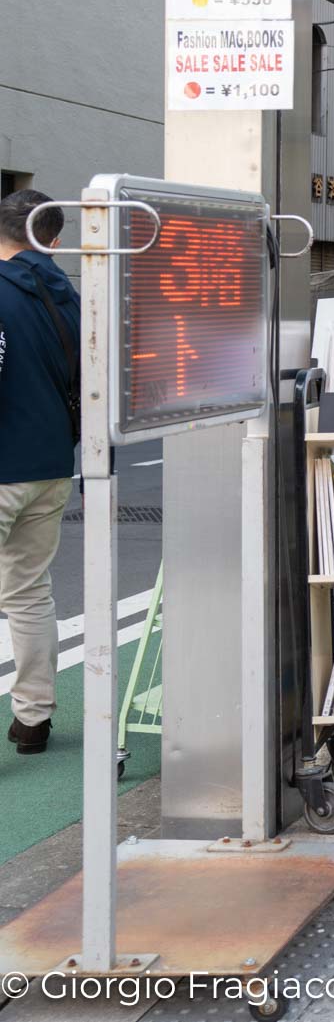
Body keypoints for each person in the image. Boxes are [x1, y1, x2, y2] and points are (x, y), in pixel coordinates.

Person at [0, 190, 81, 755]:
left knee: (25, 592)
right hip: (51, 463)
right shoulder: (68, 295)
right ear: (52, 240)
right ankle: (33, 719)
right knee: (28, 592)